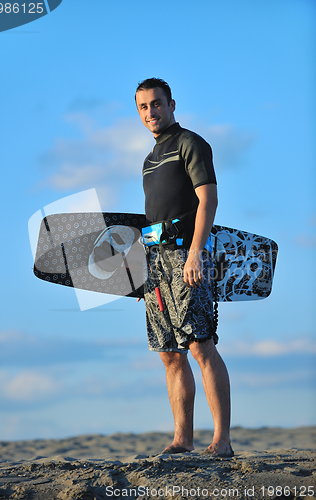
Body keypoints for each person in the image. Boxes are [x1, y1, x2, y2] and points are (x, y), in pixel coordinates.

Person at [135, 78, 233, 458]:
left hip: (186, 256)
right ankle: (182, 440)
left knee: (200, 344)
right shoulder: (148, 160)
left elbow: (208, 199)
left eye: (156, 104)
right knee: (168, 352)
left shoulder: (189, 143)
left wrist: (196, 251)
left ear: (171, 105)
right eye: (143, 107)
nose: (150, 113)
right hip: (156, 261)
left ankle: (221, 441)